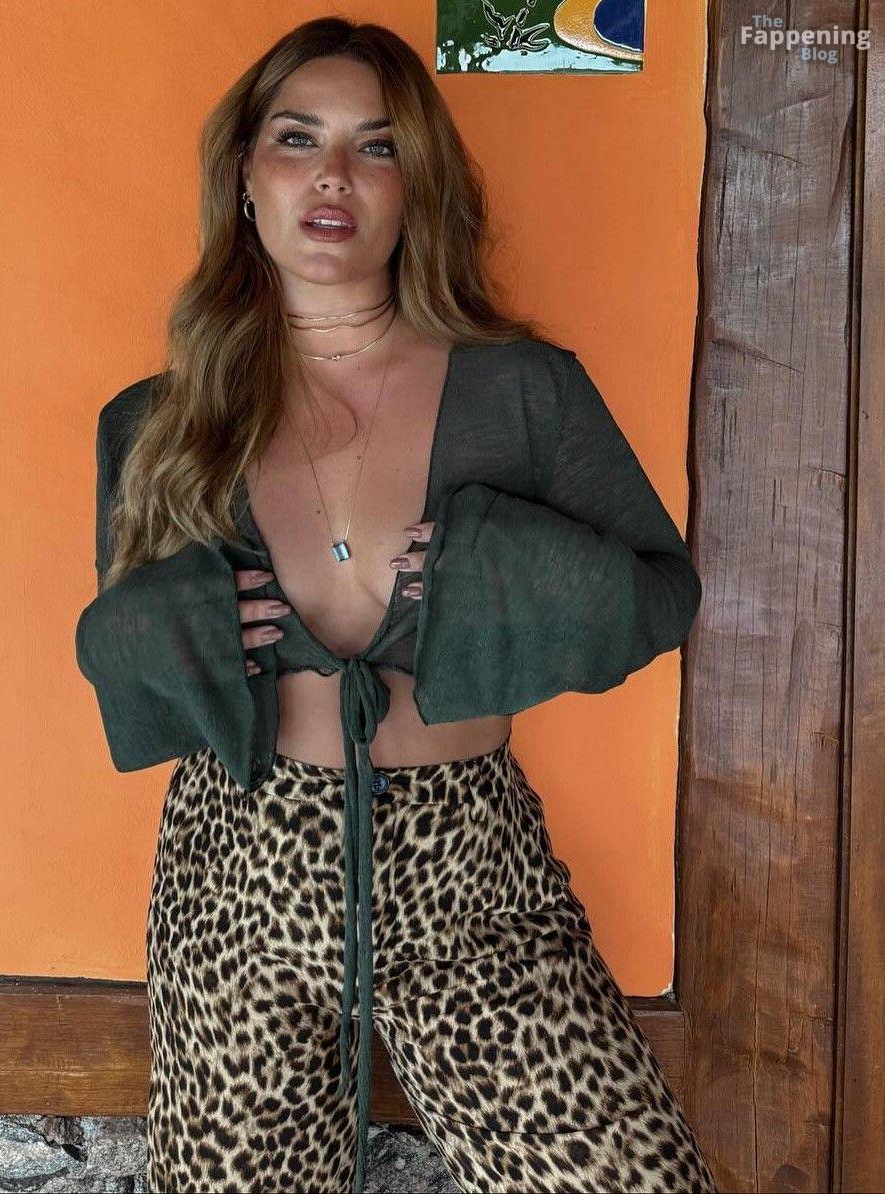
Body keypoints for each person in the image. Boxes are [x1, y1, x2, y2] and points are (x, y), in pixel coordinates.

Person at [74, 16, 719, 1194]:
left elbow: (659, 593)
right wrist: (175, 624)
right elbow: (124, 645)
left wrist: (507, 564)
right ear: (245, 175)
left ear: (416, 186)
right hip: (237, 870)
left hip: (468, 869)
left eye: (376, 147)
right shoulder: (157, 422)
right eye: (297, 139)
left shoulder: (522, 390)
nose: (333, 175)